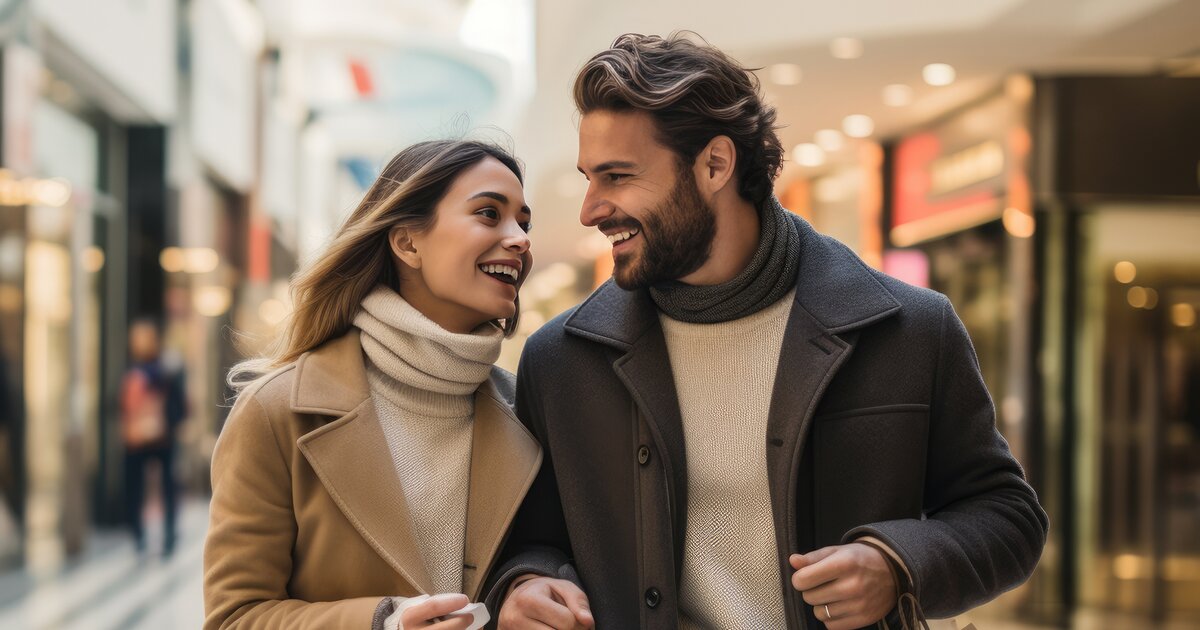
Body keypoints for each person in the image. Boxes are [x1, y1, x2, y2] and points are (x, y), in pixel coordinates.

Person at [489, 33, 1048, 629]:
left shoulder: (910, 330)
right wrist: (525, 584)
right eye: (588, 179)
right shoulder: (561, 361)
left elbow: (1008, 516)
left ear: (715, 164)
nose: (590, 209)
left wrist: (896, 563)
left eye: (617, 177)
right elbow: (529, 540)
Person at [204, 140, 548, 630]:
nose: (520, 239)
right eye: (489, 214)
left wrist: (532, 583)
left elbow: (544, 551)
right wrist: (382, 622)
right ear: (408, 242)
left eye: (524, 222)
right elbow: (234, 617)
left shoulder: (528, 408)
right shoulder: (277, 411)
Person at [120, 317, 187, 556]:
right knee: (135, 486)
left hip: (163, 437)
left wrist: (173, 423)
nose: (140, 343)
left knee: (168, 484)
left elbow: (179, 401)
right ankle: (138, 534)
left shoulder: (166, 367)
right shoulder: (130, 369)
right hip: (136, 439)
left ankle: (169, 534)